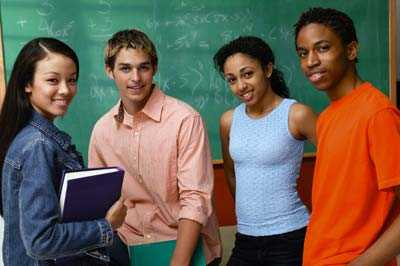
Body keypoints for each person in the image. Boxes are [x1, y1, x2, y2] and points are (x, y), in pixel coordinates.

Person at [88, 28, 222, 266]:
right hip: (131, 250)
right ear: (110, 71)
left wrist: (178, 263)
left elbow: (195, 199)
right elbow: (100, 204)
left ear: (155, 68)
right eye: (125, 68)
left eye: (144, 67)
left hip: (185, 247)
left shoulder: (185, 119)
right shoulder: (102, 130)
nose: (136, 78)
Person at [0, 37, 127, 266]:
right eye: (52, 80)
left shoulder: (28, 137)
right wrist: (106, 226)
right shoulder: (37, 146)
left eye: (72, 80)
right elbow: (41, 241)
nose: (65, 90)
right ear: (27, 84)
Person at [295, 7, 400, 266]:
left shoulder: (377, 113)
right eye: (303, 53)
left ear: (351, 50)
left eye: (322, 48)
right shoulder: (328, 117)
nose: (311, 61)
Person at [213, 36, 317, 266]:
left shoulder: (297, 114)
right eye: (232, 79)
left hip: (290, 238)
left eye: (247, 74)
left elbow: (339, 162)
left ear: (268, 69)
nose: (240, 86)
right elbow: (231, 174)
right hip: (246, 238)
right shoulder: (229, 121)